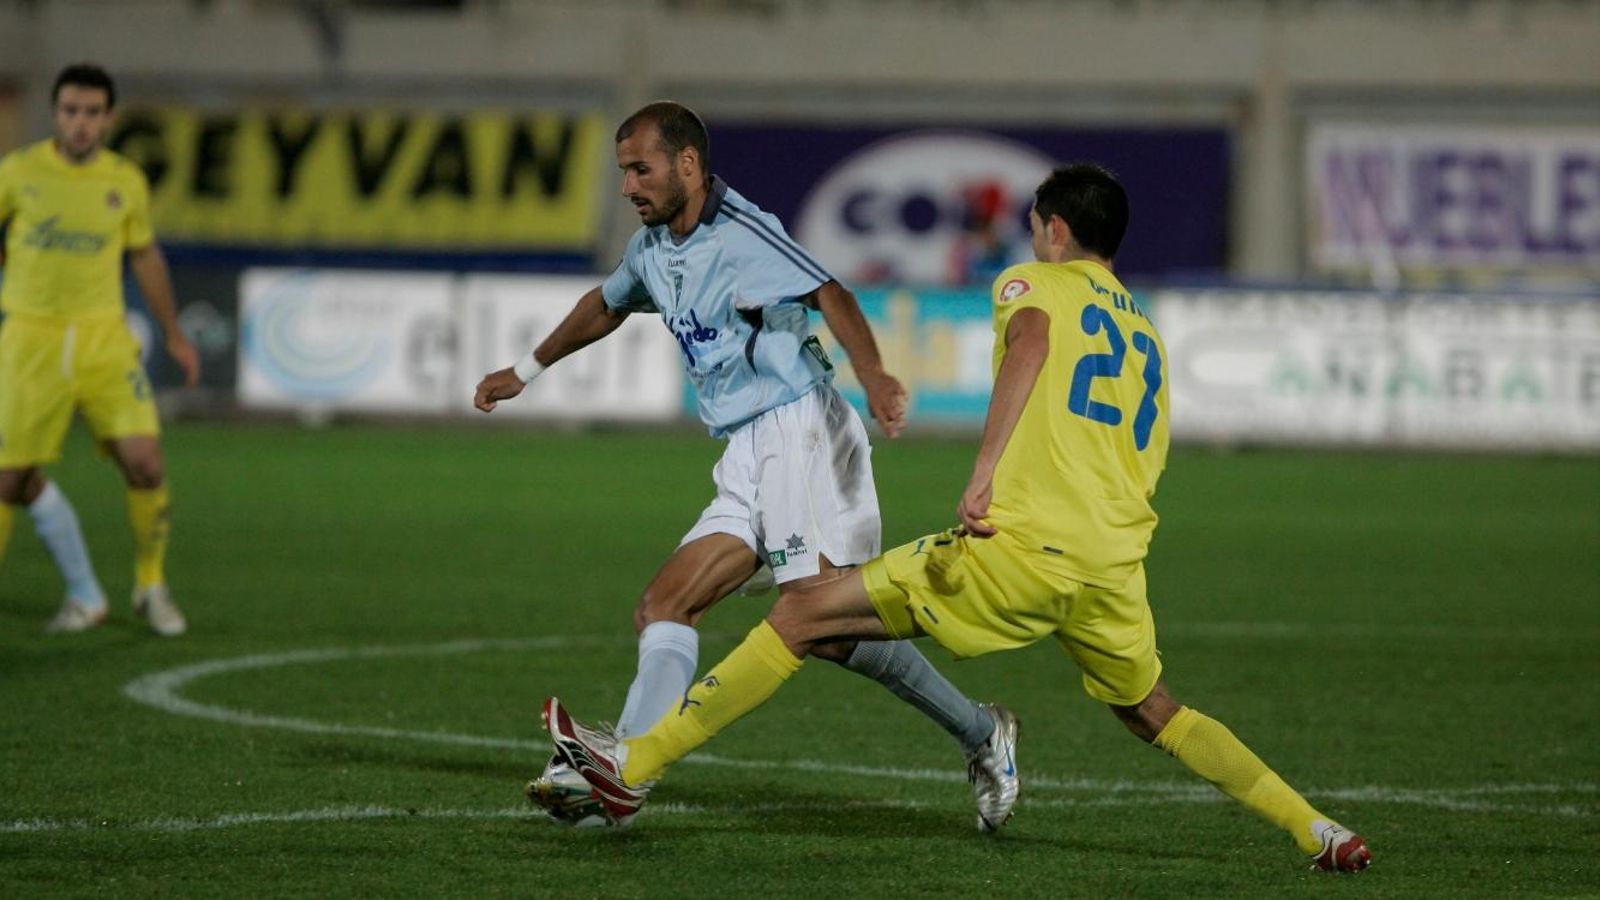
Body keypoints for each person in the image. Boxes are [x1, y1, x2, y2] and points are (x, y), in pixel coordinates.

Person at [542, 163, 1373, 873]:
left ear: (1050, 229)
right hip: (1113, 566)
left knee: (800, 612)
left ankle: (635, 762)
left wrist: (982, 477)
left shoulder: (1033, 284)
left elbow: (1032, 346)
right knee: (1157, 711)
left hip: (1017, 547)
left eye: (1035, 228)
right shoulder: (1146, 330)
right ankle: (1317, 827)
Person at [473, 102, 1020, 831]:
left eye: (642, 169)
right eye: (622, 172)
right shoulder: (652, 248)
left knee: (828, 628)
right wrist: (525, 369)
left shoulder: (743, 231)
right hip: (746, 451)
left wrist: (876, 374)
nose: (630, 186)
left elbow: (831, 292)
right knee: (665, 605)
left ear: (688, 165)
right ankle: (624, 777)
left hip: (804, 434)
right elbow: (605, 305)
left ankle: (983, 734)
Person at [0, 63, 198, 636]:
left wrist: (175, 333)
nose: (80, 123)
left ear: (108, 118)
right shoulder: (18, 173)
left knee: (146, 462)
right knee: (10, 478)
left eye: (91, 113)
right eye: (70, 111)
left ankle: (151, 586)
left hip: (103, 339)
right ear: (56, 114)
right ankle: (87, 593)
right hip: (30, 338)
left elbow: (144, 256)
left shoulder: (124, 181)